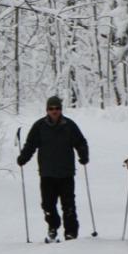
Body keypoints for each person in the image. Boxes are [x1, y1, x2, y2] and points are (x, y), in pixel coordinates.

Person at [17, 95, 89, 241]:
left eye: (57, 108)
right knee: (48, 205)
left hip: (66, 173)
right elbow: (31, 144)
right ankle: (53, 227)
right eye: (51, 108)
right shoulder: (39, 126)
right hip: (47, 173)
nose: (54, 111)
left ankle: (71, 232)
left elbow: (80, 142)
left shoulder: (69, 125)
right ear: (47, 110)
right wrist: (23, 157)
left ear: (61, 110)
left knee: (68, 205)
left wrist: (83, 155)